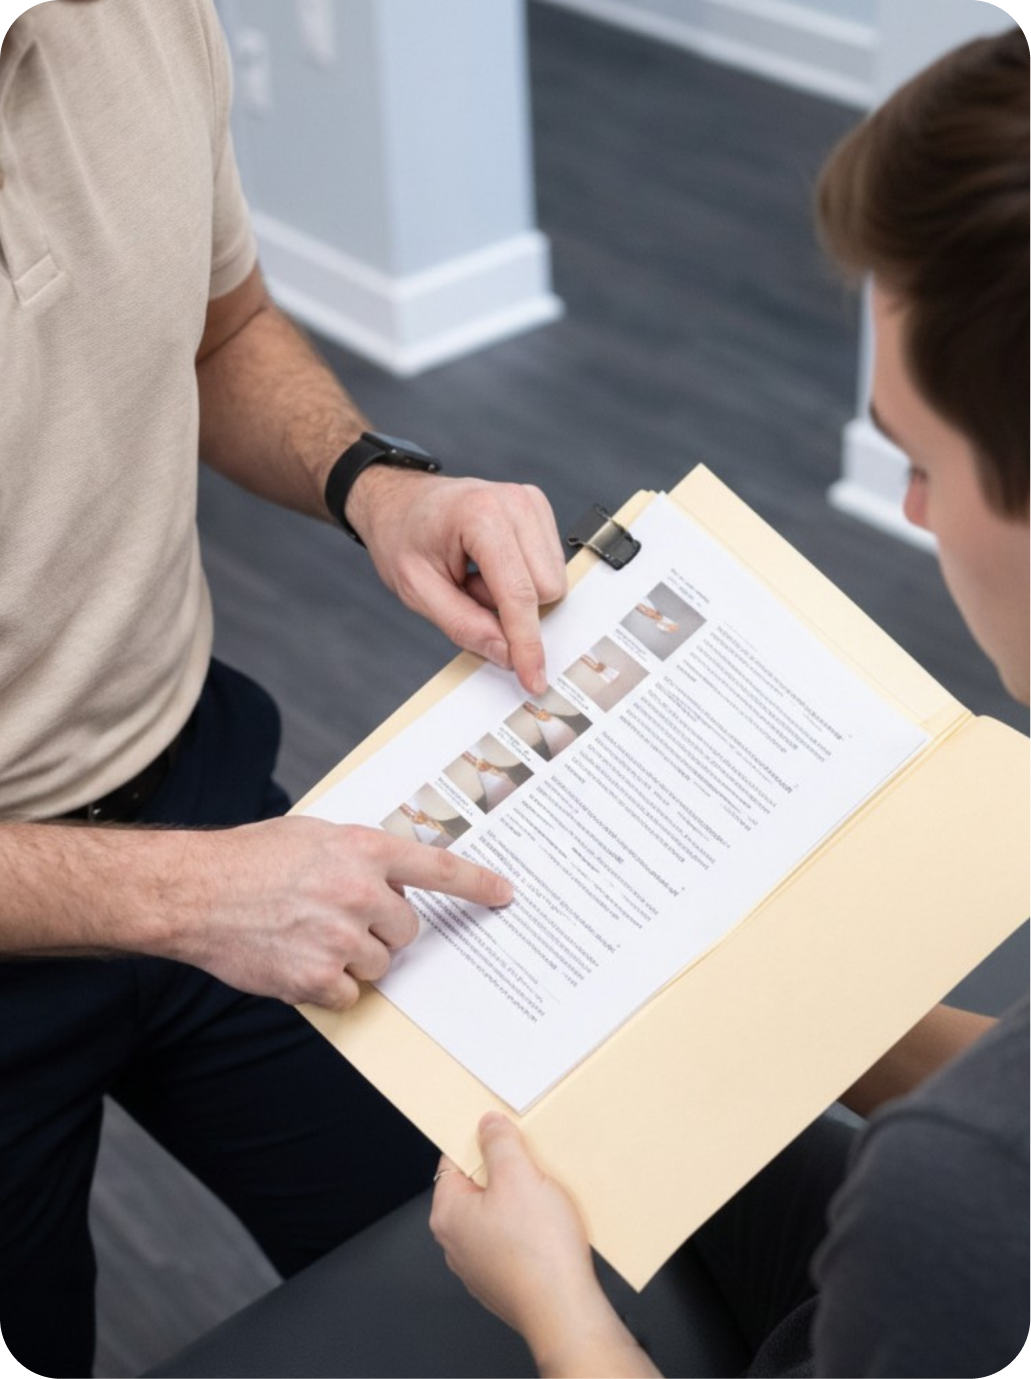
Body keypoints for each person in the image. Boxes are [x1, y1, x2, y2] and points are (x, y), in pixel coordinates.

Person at [430, 25, 1031, 1379]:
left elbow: (983, 1174)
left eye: (917, 459)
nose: (916, 511)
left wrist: (549, 1305)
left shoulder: (953, 1199)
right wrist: (812, 1009)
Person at [0, 3, 566, 1377]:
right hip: (160, 884)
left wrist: (372, 483)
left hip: (198, 788)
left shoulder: (133, 20)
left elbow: (224, 326)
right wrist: (181, 899)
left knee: (476, 1274)